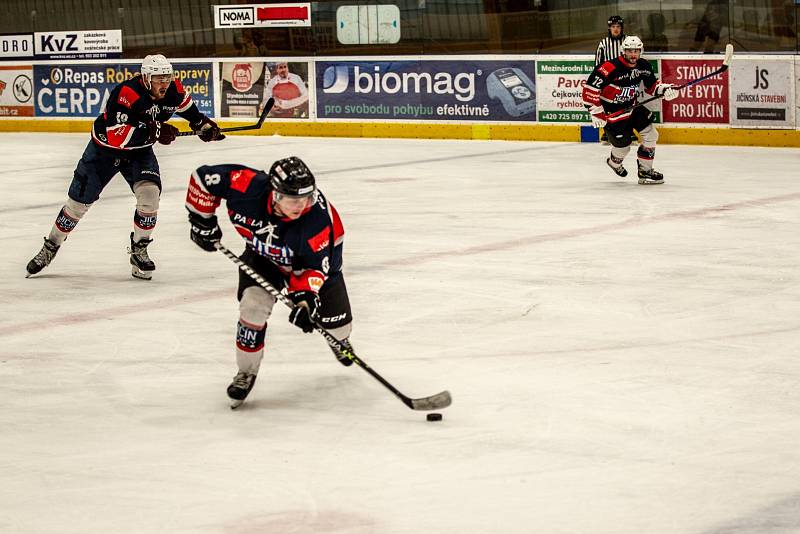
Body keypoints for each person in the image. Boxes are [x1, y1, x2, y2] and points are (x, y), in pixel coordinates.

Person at [25, 54, 225, 280]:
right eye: (159, 79)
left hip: (139, 152)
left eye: (167, 78)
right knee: (77, 206)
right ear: (147, 78)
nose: (165, 83)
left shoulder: (174, 90)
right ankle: (51, 246)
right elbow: (117, 137)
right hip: (104, 151)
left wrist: (204, 126)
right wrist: (156, 130)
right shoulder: (127, 93)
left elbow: (192, 113)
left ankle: (139, 250)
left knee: (150, 195)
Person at [185, 156, 353, 408]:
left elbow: (315, 269)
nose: (301, 205)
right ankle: (246, 372)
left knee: (337, 328)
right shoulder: (246, 185)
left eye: (306, 198)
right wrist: (203, 221)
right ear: (274, 195)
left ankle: (340, 339)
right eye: (294, 199)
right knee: (252, 307)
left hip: (317, 265)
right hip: (263, 258)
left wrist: (305, 302)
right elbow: (202, 179)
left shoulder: (316, 221)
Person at [582, 36, 679, 185]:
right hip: (613, 115)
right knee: (623, 148)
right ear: (623, 51)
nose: (633, 54)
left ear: (641, 51)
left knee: (651, 135)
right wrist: (595, 112)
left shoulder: (643, 65)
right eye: (629, 51)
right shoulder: (609, 67)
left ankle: (645, 171)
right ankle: (614, 163)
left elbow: (652, 87)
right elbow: (590, 89)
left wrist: (666, 90)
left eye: (636, 51)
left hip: (632, 108)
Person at [594, 16, 625, 144]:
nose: (616, 29)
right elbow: (598, 64)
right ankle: (607, 133)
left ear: (621, 28)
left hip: (625, 79)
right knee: (607, 106)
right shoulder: (604, 43)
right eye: (613, 27)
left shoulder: (627, 41)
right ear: (609, 28)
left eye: (618, 27)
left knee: (626, 105)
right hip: (608, 80)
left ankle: (626, 131)